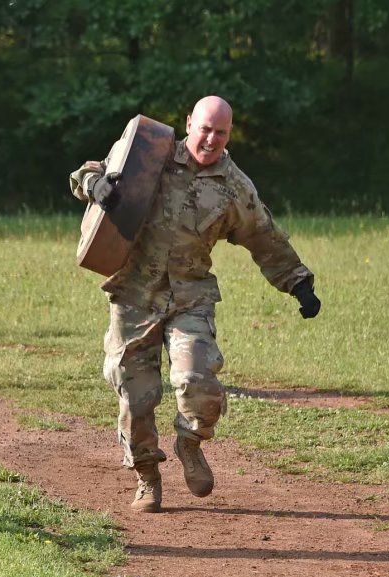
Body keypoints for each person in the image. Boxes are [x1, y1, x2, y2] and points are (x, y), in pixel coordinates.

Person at [69, 96, 321, 513]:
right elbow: (86, 173)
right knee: (135, 396)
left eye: (220, 132)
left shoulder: (234, 186)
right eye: (204, 128)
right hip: (134, 294)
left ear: (229, 135)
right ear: (189, 123)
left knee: (198, 380)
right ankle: (147, 477)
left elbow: (264, 237)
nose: (210, 139)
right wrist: (95, 184)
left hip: (190, 296)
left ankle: (190, 443)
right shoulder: (152, 149)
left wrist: (298, 283)